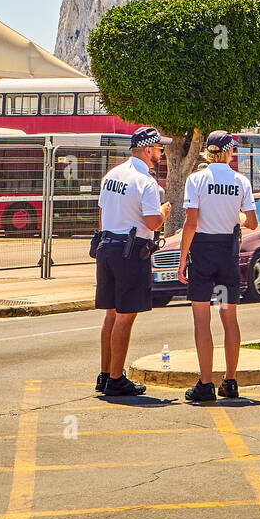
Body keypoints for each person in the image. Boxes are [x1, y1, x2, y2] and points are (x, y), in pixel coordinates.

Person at [178, 130, 258, 403]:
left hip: (202, 253)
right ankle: (231, 380)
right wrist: (232, 215)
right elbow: (253, 222)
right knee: (228, 317)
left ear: (207, 152)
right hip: (227, 254)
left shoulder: (196, 180)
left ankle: (205, 383)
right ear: (230, 152)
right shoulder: (240, 181)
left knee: (202, 320)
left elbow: (191, 222)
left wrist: (181, 261)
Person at [94, 126, 172, 399]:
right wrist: (163, 213)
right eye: (160, 149)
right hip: (131, 250)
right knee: (125, 317)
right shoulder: (147, 182)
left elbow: (102, 213)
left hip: (107, 246)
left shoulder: (113, 174)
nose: (161, 153)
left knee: (111, 315)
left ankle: (105, 374)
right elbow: (151, 222)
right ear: (148, 150)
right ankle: (116, 379)